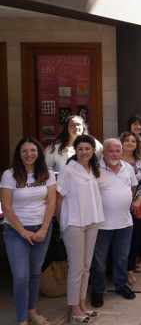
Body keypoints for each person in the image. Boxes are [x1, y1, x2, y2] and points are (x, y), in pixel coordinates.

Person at [1, 137, 56, 325]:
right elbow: (6, 207)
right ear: (19, 154)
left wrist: (44, 228)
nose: (29, 154)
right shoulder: (9, 175)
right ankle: (22, 320)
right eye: (25, 151)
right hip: (16, 231)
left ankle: (32, 311)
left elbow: (51, 202)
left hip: (42, 229)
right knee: (21, 276)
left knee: (35, 272)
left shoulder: (47, 173)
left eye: (33, 150)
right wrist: (23, 232)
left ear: (39, 152)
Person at [56, 134, 104, 324]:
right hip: (74, 223)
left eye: (87, 148)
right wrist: (61, 224)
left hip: (92, 220)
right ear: (75, 151)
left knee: (86, 266)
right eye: (80, 149)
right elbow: (58, 198)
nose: (84, 152)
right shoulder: (69, 170)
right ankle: (74, 309)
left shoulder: (93, 168)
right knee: (76, 268)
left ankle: (82, 304)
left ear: (93, 150)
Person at [90, 139, 138, 308]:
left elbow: (133, 188)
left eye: (118, 150)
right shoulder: (94, 169)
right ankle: (97, 290)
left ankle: (120, 285)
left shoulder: (127, 167)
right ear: (103, 153)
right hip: (102, 225)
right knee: (99, 261)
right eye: (111, 151)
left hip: (125, 223)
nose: (115, 154)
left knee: (122, 257)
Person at [120, 131, 141, 284]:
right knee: (117, 240)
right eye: (127, 140)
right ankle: (116, 270)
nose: (130, 143)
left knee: (132, 240)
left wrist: (138, 200)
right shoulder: (113, 160)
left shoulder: (140, 161)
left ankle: (129, 269)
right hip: (116, 207)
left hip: (134, 207)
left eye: (133, 141)